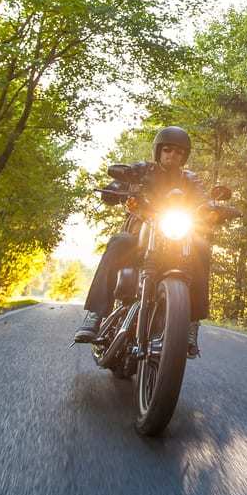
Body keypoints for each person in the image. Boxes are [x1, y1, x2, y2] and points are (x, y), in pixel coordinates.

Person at [74, 126, 210, 356]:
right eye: (167, 150)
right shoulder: (143, 170)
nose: (172, 155)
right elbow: (125, 180)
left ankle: (190, 323)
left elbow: (203, 201)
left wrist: (214, 209)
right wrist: (114, 188)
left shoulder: (190, 179)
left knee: (202, 247)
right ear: (159, 151)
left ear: (184, 156)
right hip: (141, 233)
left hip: (176, 237)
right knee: (118, 242)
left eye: (178, 152)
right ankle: (97, 314)